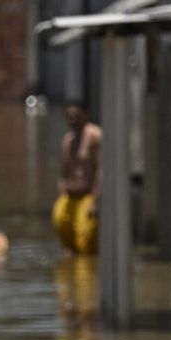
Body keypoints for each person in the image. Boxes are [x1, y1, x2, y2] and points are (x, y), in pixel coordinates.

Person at [51, 101, 102, 255]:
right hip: (70, 196)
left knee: (84, 240)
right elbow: (63, 171)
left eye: (76, 117)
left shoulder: (94, 135)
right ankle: (70, 273)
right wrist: (61, 193)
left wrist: (95, 200)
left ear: (85, 115)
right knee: (60, 222)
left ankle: (86, 273)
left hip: (87, 196)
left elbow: (101, 170)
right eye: (69, 117)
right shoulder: (68, 140)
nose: (73, 121)